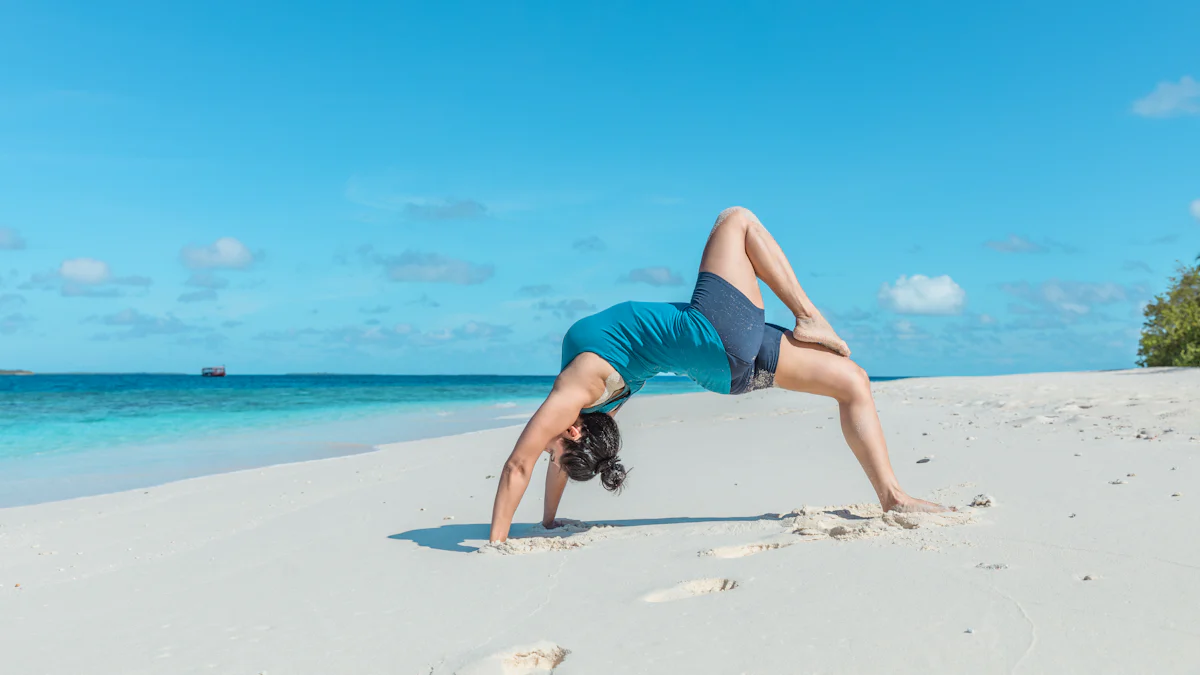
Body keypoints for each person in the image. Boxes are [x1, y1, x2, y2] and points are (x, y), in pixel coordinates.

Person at [488, 206, 947, 543]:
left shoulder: (593, 402)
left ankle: (892, 496)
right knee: (736, 221)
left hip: (727, 374)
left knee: (854, 382)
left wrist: (543, 523)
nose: (549, 447)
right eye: (556, 444)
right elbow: (521, 464)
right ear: (572, 428)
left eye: (554, 449)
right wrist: (498, 542)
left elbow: (544, 461)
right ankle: (809, 315)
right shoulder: (577, 390)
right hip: (716, 336)